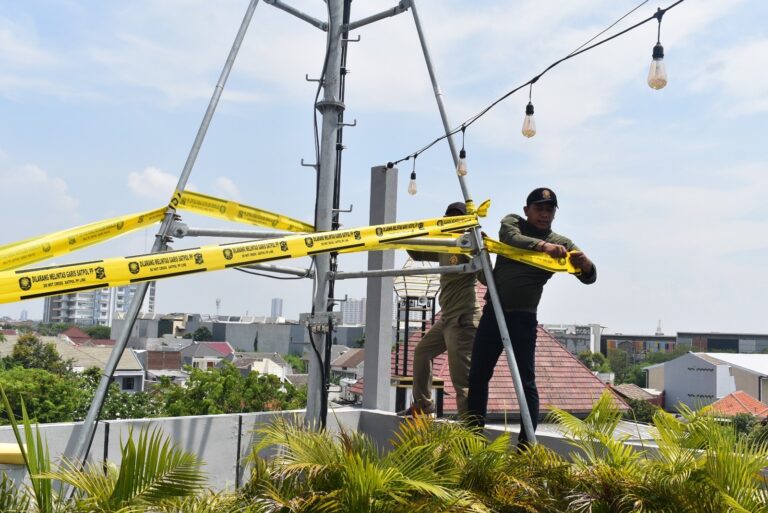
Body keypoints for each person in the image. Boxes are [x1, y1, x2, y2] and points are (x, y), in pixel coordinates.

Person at [466, 187, 596, 444]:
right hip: (494, 313)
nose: (544, 214)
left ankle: (526, 446)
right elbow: (511, 237)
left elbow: (589, 277)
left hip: (523, 319)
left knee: (526, 383)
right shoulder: (513, 222)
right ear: (527, 210)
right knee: (478, 375)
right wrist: (543, 247)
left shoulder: (562, 243)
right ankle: (472, 439)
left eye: (549, 210)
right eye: (539, 209)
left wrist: (586, 264)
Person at [398, 201, 481, 417]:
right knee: (422, 353)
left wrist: (478, 247)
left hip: (463, 318)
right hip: (447, 318)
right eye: (449, 218)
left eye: (457, 218)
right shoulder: (446, 244)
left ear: (465, 222)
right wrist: (406, 234)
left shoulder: (467, 244)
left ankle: (469, 428)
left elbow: (484, 274)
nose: (453, 221)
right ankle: (423, 404)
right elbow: (418, 253)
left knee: (461, 380)